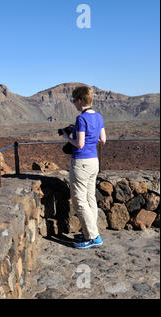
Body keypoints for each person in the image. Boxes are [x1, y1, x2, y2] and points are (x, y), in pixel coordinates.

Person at [62, 85, 106, 249]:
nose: (74, 103)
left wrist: (67, 136)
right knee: (90, 198)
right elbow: (103, 140)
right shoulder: (99, 117)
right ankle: (91, 232)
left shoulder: (81, 119)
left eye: (74, 100)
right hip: (94, 161)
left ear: (80, 100)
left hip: (81, 163)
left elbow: (79, 144)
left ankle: (93, 237)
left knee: (79, 200)